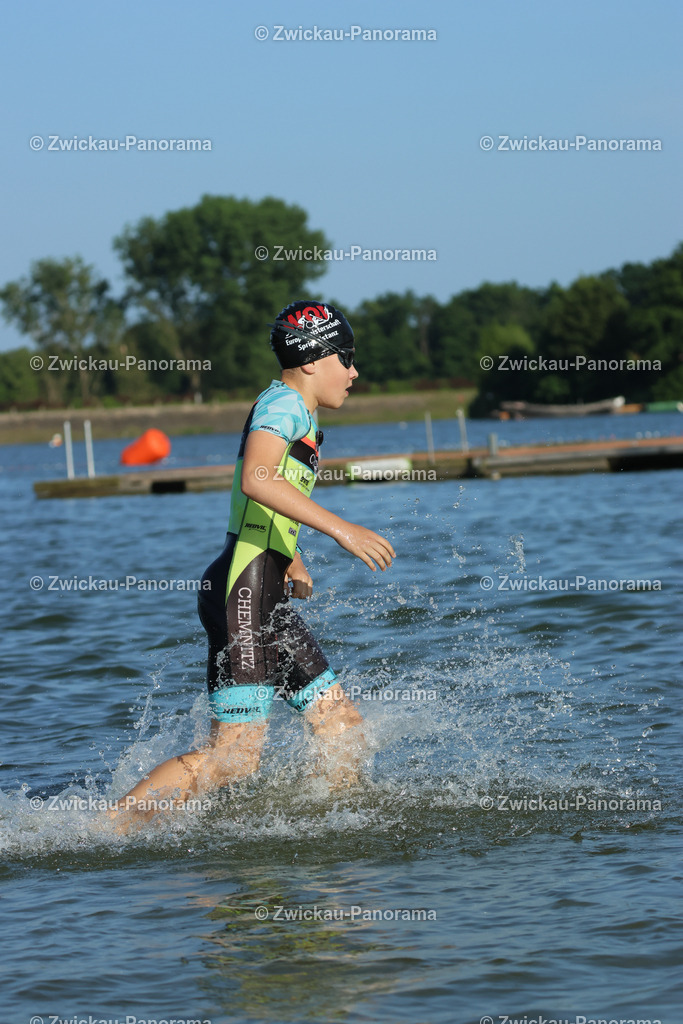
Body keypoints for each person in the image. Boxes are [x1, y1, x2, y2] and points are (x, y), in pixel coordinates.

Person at [109, 300, 395, 822]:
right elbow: (257, 478)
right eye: (346, 358)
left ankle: (327, 833)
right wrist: (341, 529)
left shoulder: (296, 410)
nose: (354, 372)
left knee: (342, 728)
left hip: (262, 590)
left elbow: (267, 499)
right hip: (243, 590)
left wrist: (292, 556)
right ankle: (105, 831)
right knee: (234, 759)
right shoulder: (283, 406)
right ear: (313, 361)